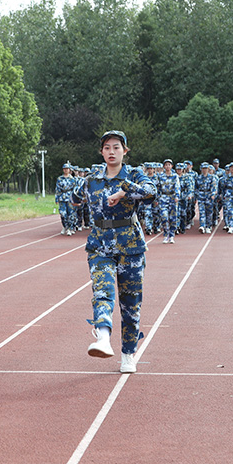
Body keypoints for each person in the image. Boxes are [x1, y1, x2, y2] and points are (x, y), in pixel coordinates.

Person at [71, 130, 156, 373]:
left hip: (130, 247)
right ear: (101, 152)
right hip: (100, 245)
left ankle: (128, 353)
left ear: (125, 151)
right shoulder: (92, 178)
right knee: (103, 291)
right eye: (107, 147)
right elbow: (75, 198)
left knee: (131, 304)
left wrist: (124, 192)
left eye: (116, 147)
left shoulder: (135, 175)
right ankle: (103, 338)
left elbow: (151, 192)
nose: (111, 152)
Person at [156, 159, 180, 244]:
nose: (167, 166)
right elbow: (157, 188)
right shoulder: (160, 176)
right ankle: (166, 234)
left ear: (171, 166)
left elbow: (177, 187)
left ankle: (172, 235)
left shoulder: (175, 176)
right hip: (163, 197)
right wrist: (157, 198)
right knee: (164, 217)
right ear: (164, 166)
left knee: (173, 218)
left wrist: (177, 196)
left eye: (169, 165)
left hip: (172, 197)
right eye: (166, 165)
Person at [195, 162, 218, 233]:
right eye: (203, 169)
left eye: (206, 168)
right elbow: (196, 188)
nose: (204, 170)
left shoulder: (212, 177)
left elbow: (214, 187)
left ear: (208, 169)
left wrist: (213, 194)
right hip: (201, 196)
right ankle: (202, 225)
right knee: (201, 212)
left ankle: (208, 226)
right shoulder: (198, 178)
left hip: (209, 196)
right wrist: (196, 195)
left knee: (209, 212)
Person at [55, 162, 77, 235]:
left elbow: (75, 190)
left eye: (67, 169)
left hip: (70, 198)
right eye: (64, 169)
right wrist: (56, 198)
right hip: (62, 197)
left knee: (71, 214)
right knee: (63, 214)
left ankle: (70, 228)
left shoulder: (72, 179)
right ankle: (65, 226)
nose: (66, 170)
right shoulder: (60, 179)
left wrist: (76, 199)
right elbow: (57, 189)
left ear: (69, 170)